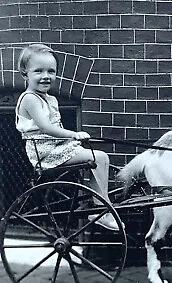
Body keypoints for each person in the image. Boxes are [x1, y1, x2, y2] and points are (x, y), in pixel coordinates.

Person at [15, 43, 123, 231]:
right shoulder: (30, 98)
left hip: (56, 147)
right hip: (44, 152)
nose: (46, 76)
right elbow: (46, 128)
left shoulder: (50, 99)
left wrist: (73, 140)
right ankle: (102, 210)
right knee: (99, 157)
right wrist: (74, 135)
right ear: (25, 74)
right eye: (38, 71)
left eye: (51, 71)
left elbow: (55, 128)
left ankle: (100, 205)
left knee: (99, 158)